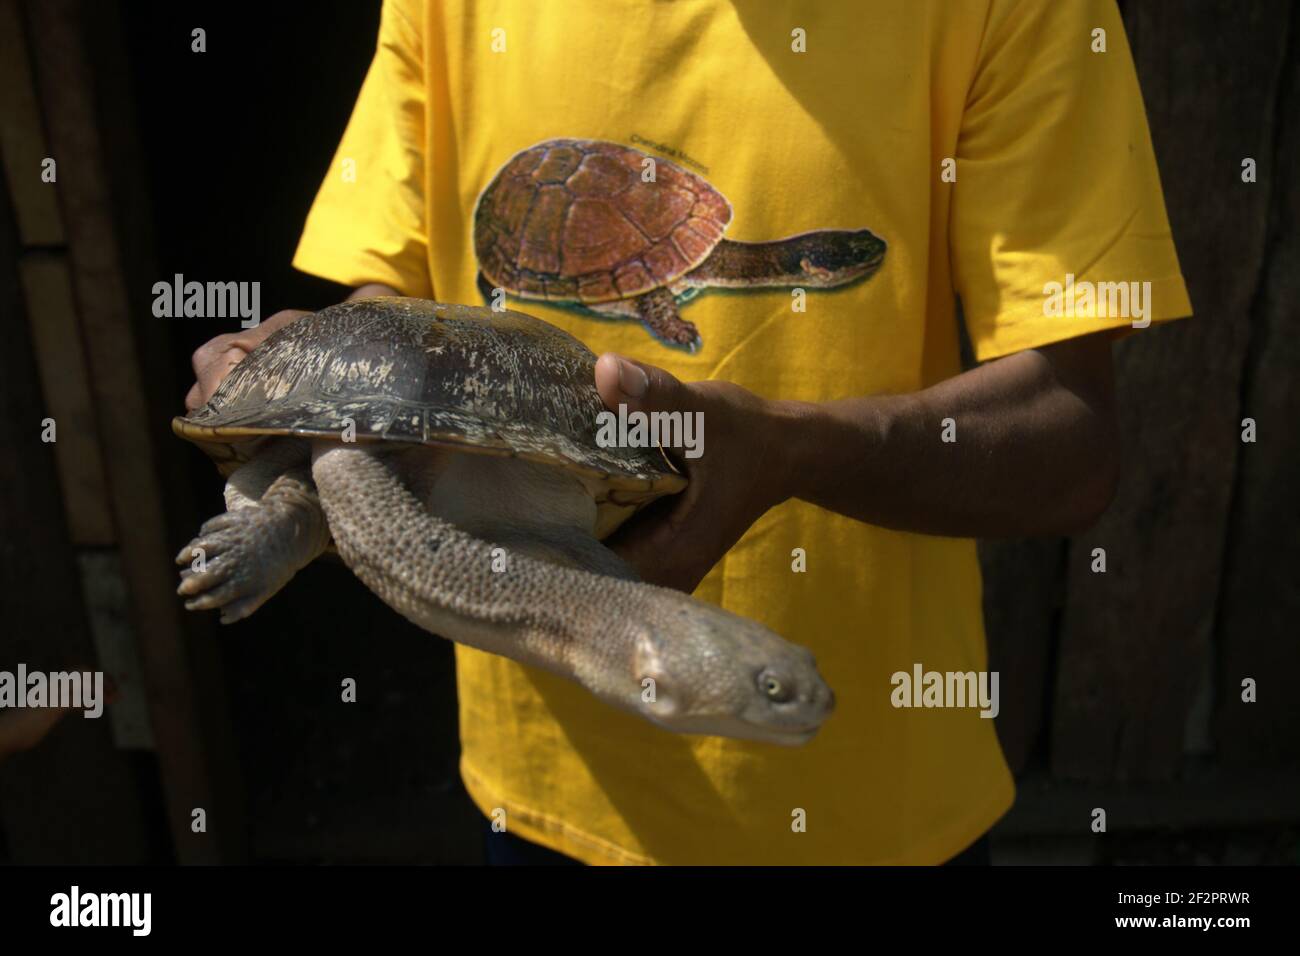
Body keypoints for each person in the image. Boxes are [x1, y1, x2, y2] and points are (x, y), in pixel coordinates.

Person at [186, 0, 1190, 864]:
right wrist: (313, 361)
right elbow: (394, 290)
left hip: (870, 811)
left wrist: (791, 447)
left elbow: (1072, 442)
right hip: (540, 785)